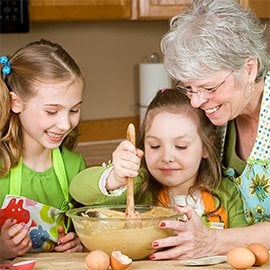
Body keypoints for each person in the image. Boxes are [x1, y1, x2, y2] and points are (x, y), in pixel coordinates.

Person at [153, 0, 270, 260]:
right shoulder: (212, 118)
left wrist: (215, 241)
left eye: (209, 88)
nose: (196, 101)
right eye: (189, 88)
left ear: (249, 69)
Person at [70, 88, 248, 251]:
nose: (167, 157)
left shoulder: (226, 193)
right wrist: (114, 177)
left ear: (206, 147)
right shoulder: (138, 184)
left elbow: (241, 245)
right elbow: (78, 190)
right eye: (155, 146)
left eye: (180, 146)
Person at [0, 39, 87, 259]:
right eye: (52, 112)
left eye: (74, 110)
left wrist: (79, 243)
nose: (65, 124)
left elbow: (86, 228)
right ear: (16, 103)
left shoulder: (74, 166)